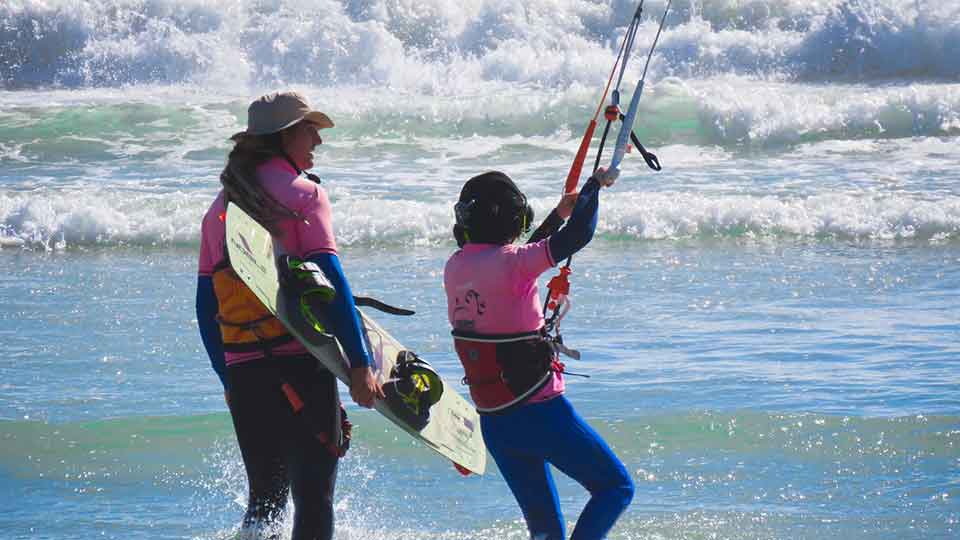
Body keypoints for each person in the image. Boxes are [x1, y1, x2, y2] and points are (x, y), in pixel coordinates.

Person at [195, 91, 384, 540]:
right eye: (308, 129)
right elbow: (332, 281)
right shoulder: (304, 195)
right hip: (300, 364)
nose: (317, 139)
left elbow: (207, 309)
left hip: (245, 374)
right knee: (313, 499)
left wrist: (228, 379)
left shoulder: (218, 212)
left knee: (265, 499)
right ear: (282, 137)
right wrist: (359, 363)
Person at [443, 168, 635, 540]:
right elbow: (578, 236)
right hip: (541, 414)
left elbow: (518, 254)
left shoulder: (455, 266)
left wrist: (561, 213)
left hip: (496, 422)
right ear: (517, 218)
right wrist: (594, 188)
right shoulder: (515, 265)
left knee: (546, 531)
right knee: (615, 488)